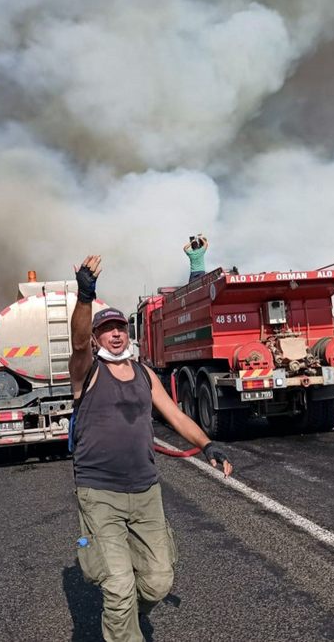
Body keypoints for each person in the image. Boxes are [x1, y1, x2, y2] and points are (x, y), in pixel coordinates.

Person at [69, 255, 233, 642]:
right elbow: (76, 344)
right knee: (120, 587)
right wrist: (85, 294)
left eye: (120, 328)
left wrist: (208, 445)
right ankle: (122, 621)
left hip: (145, 491)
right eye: (106, 330)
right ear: (96, 338)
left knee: (158, 581)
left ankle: (124, 617)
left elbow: (176, 417)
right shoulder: (87, 371)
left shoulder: (143, 374)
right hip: (100, 492)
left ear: (128, 333)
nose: (115, 334)